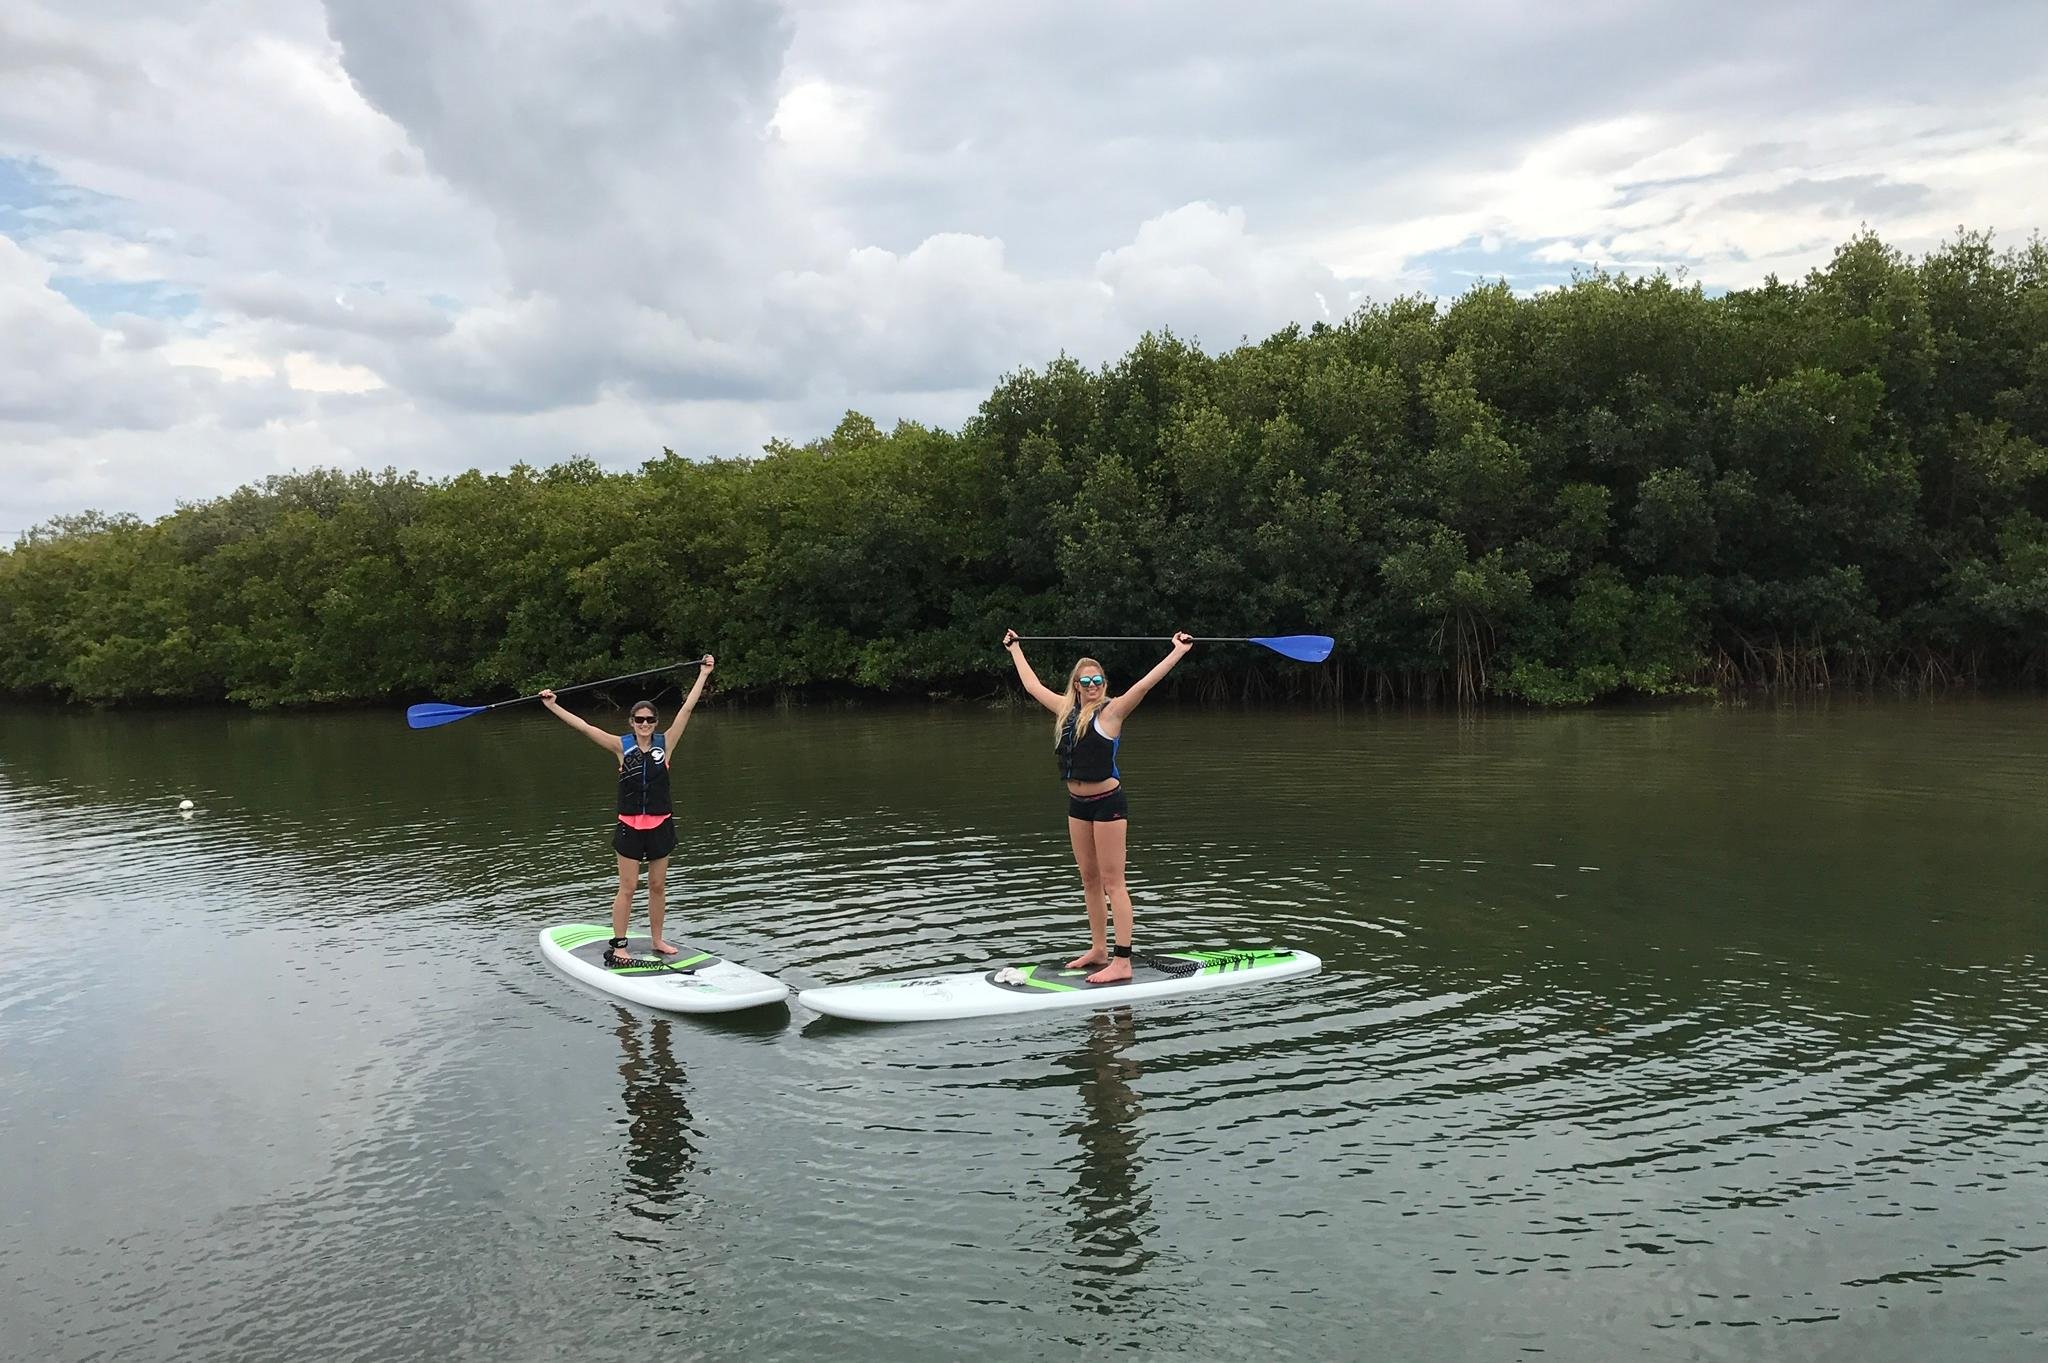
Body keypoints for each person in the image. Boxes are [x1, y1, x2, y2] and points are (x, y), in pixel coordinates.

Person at [1001, 629, 1192, 983]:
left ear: (1104, 683)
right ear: (1076, 685)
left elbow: (1146, 684)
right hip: (1077, 805)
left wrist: (1177, 651)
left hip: (1108, 805)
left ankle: (1122, 960)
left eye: (1097, 680)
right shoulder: (1064, 710)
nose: (1092, 685)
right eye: (1085, 680)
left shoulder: (1113, 712)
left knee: (1112, 882)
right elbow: (1031, 686)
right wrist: (1015, 649)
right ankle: (1099, 949)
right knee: (1089, 880)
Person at [540, 657, 714, 968]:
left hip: (661, 825)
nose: (645, 724)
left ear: (656, 722)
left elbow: (686, 709)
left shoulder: (667, 743)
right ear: (631, 722)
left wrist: (703, 673)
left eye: (650, 720)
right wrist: (553, 706)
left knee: (658, 886)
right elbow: (584, 726)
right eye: (639, 720)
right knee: (629, 886)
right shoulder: (621, 747)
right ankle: (620, 945)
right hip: (630, 827)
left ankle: (657, 939)